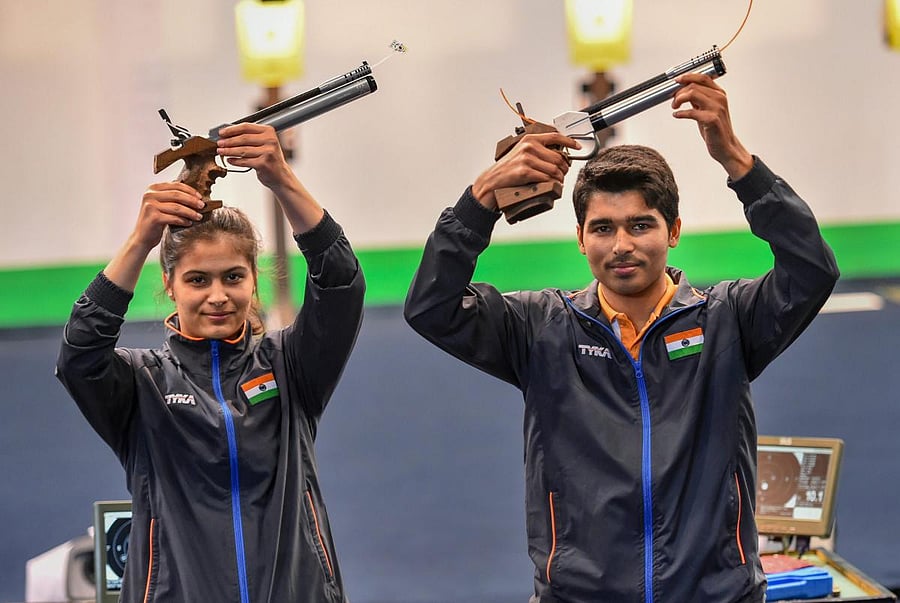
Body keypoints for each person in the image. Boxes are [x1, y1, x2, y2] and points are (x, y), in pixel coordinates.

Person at [404, 73, 839, 603]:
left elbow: (812, 270)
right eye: (603, 228)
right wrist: (481, 198)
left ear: (673, 231)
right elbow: (431, 306)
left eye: (640, 225)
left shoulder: (727, 320)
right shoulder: (540, 327)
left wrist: (736, 160)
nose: (621, 245)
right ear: (580, 238)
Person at [56, 123, 365, 602]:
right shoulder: (141, 384)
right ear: (170, 285)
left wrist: (281, 178)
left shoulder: (291, 365)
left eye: (233, 277)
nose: (218, 296)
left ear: (253, 281)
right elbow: (79, 355)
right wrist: (140, 240)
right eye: (198, 279)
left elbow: (341, 284)